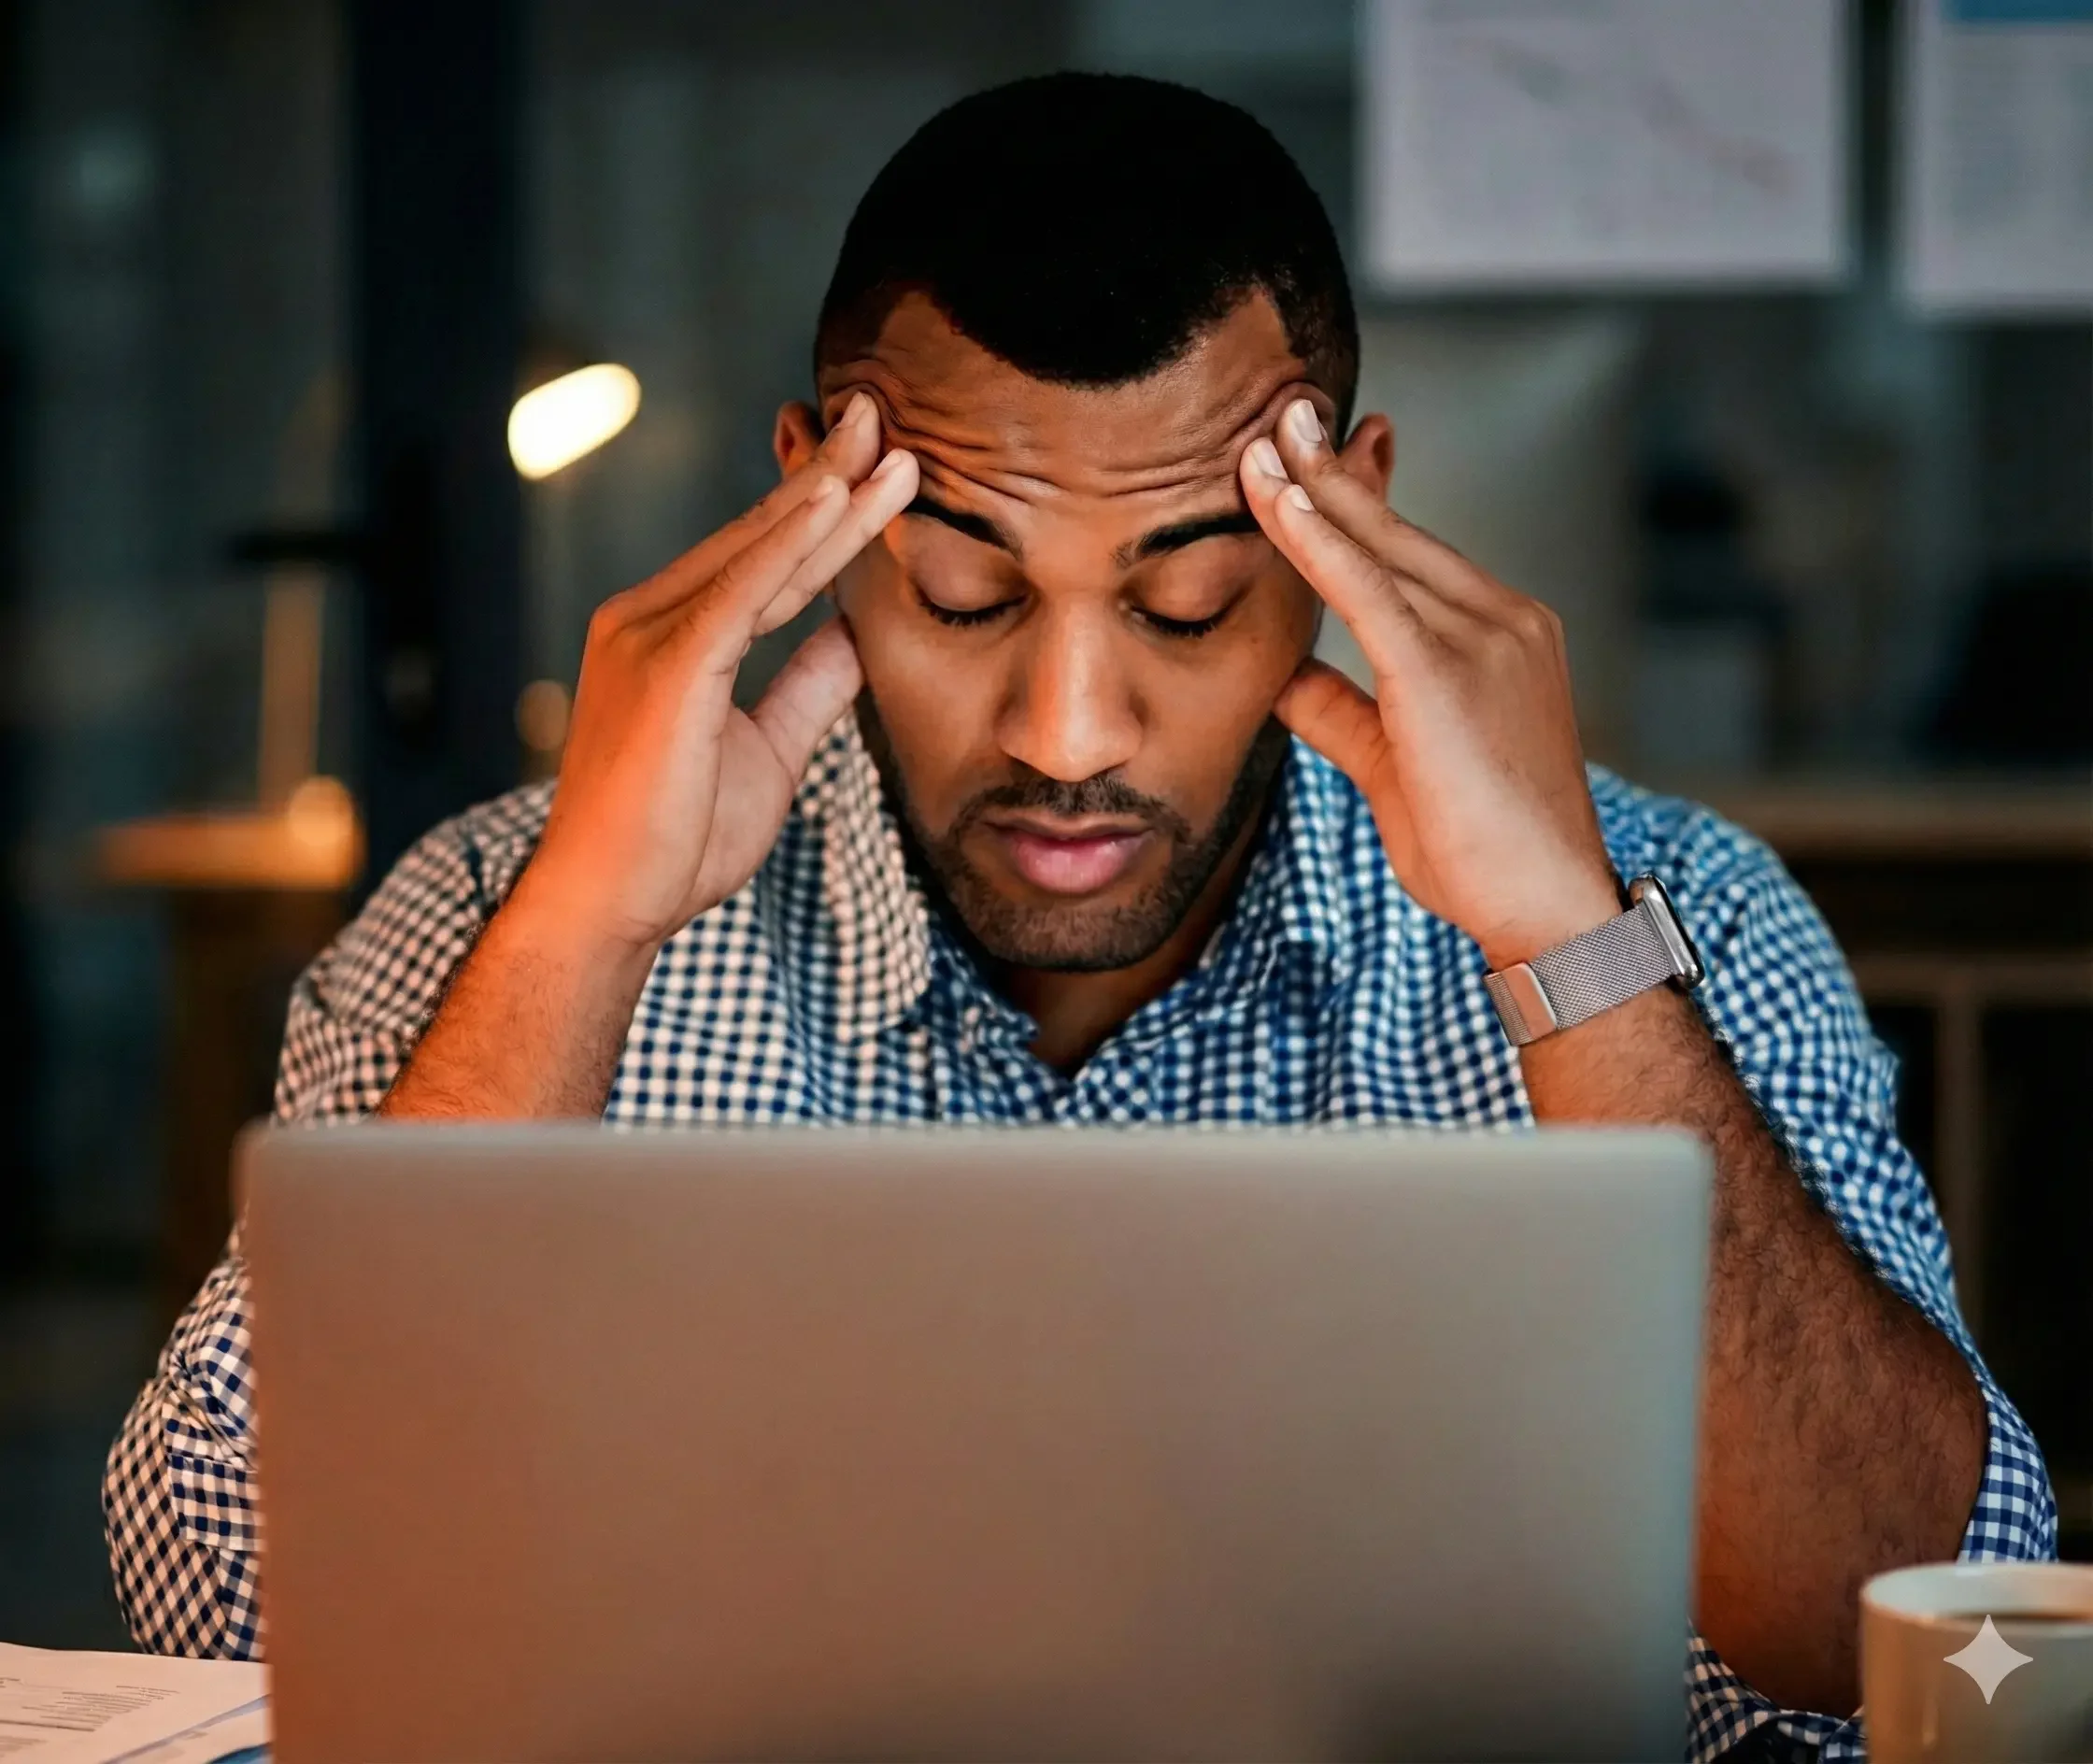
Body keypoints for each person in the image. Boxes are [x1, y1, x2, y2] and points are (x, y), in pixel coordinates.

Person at [105, 73, 2050, 1760]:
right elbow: (233, 1611)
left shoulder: (1672, 910)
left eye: (1189, 601)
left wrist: (1562, 931)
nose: (1066, 731)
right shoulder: (489, 912)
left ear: (1346, 522)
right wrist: (579, 937)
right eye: (961, 591)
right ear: (816, 511)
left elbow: (1913, 1639)